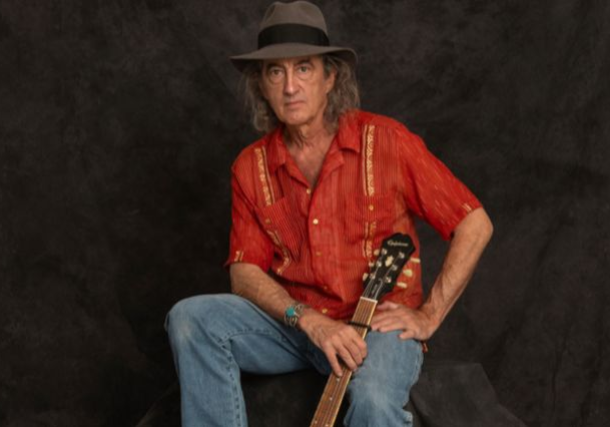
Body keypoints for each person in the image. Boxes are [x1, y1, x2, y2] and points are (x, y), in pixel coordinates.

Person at [166, 1, 493, 426]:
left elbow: (474, 223)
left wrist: (429, 315)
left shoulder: (387, 141)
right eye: (275, 72)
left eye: (303, 68)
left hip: (377, 328)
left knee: (374, 399)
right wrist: (308, 320)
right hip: (297, 328)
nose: (290, 87)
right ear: (261, 85)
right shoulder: (250, 167)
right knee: (190, 320)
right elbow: (244, 274)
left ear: (329, 77)